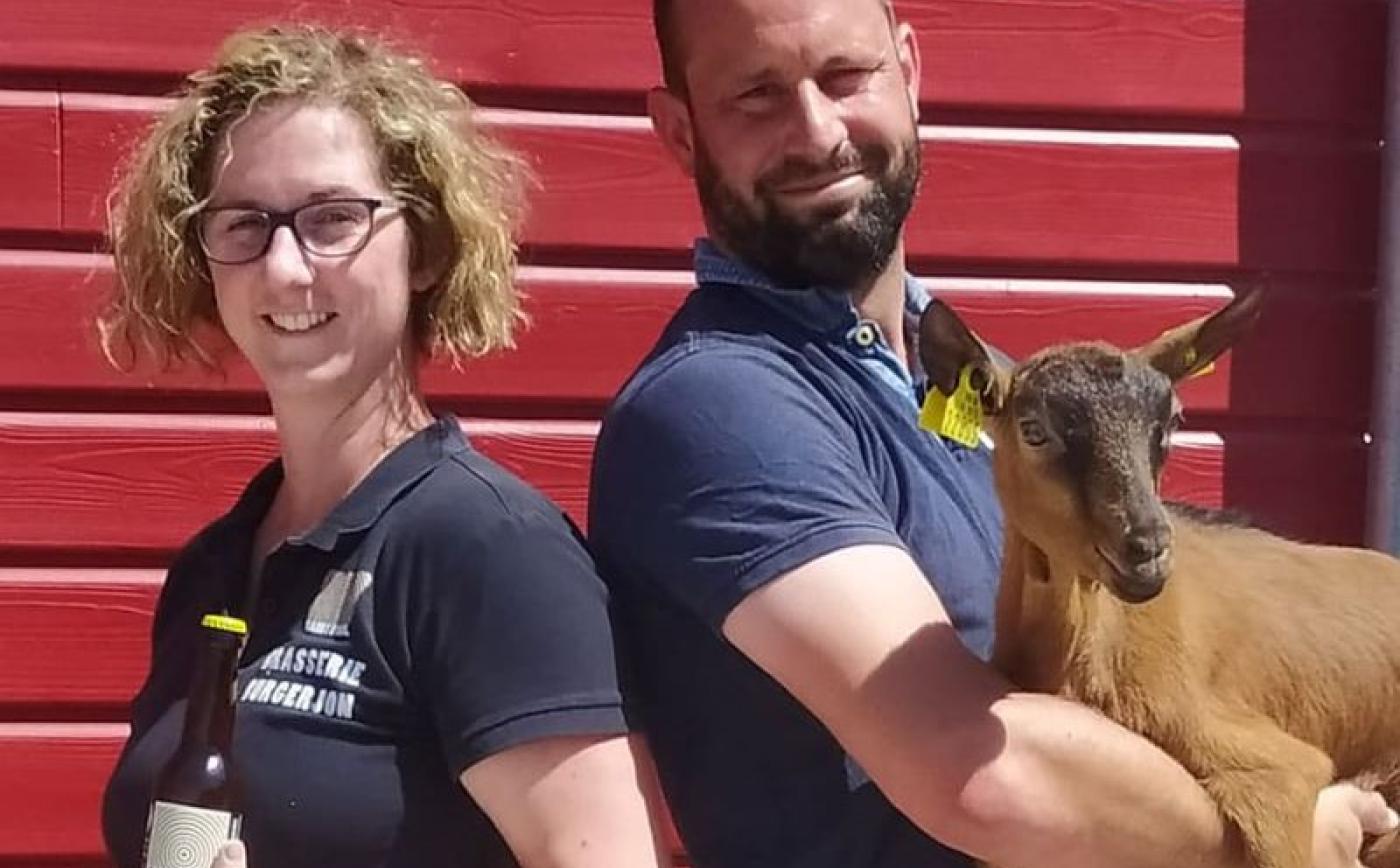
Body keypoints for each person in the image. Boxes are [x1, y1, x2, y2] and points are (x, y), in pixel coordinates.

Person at [587, 1, 1397, 867]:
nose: (817, 133)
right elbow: (978, 773)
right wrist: (1279, 829)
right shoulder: (718, 407)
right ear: (678, 131)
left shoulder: (986, 393)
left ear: (910, 72)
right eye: (756, 94)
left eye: (845, 76)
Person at [99, 25, 664, 868]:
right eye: (244, 224)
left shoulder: (485, 549)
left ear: (426, 249)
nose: (286, 268)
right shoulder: (211, 569)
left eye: (333, 219)